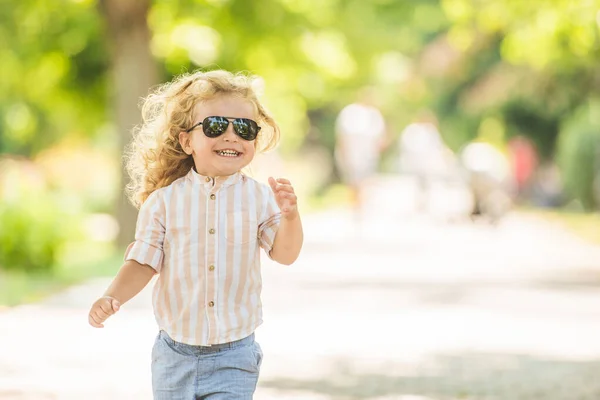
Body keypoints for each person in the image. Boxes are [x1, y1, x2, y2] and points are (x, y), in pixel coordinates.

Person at [87, 70, 304, 399]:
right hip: (174, 357)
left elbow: (285, 255)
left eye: (244, 129)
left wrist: (291, 217)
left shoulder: (259, 198)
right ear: (186, 140)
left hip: (235, 355)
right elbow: (144, 262)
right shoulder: (163, 202)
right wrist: (111, 296)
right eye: (217, 126)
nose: (232, 136)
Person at [334, 87, 386, 219]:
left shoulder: (374, 115)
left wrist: (377, 150)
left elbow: (381, 137)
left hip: (368, 157)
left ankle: (362, 210)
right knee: (353, 183)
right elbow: (342, 135)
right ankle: (355, 210)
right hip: (351, 155)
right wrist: (344, 153)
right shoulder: (349, 112)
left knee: (365, 183)